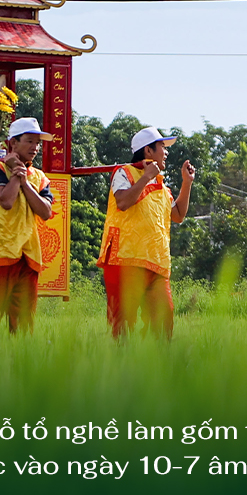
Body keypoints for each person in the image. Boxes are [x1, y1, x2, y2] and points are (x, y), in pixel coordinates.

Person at [98, 126, 193, 339]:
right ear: (148, 151)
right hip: (125, 260)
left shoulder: (162, 186)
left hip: (156, 263)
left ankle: (157, 369)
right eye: (162, 147)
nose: (166, 152)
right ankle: (118, 369)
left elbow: (177, 215)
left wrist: (187, 183)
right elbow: (122, 201)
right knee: (123, 324)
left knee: (164, 317)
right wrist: (146, 176)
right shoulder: (123, 172)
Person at [0, 117, 56, 334]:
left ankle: (20, 365)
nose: (35, 148)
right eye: (30, 141)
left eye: (38, 143)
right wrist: (16, 174)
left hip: (28, 253)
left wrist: (23, 180)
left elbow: (46, 212)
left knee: (23, 323)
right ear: (12, 143)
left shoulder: (39, 177)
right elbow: (6, 201)